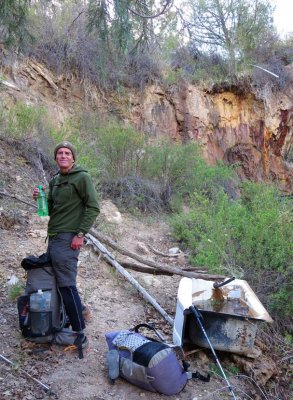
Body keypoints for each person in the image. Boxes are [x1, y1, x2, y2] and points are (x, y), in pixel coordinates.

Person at [33, 141, 100, 353]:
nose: (63, 156)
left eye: (67, 153)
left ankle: (79, 333)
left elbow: (93, 207)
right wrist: (40, 198)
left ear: (73, 158)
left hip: (68, 238)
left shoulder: (82, 177)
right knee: (60, 280)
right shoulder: (55, 180)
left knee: (66, 285)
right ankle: (81, 312)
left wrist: (80, 234)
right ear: (56, 158)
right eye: (59, 153)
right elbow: (51, 209)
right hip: (54, 237)